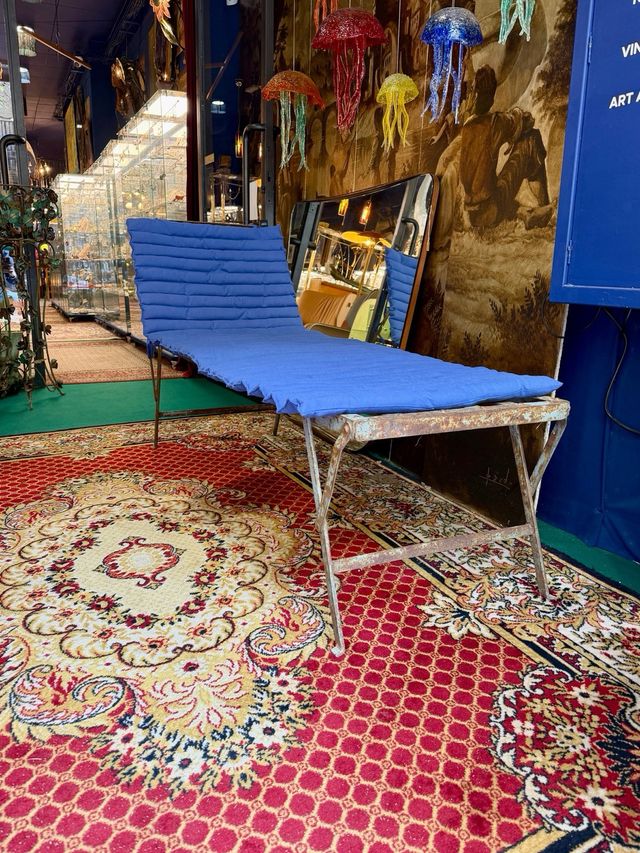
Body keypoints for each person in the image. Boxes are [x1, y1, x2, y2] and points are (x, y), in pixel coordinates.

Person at [460, 65, 553, 230]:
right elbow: (524, 121)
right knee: (531, 138)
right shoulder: (495, 122)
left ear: (474, 94)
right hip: (492, 210)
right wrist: (521, 121)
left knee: (495, 185)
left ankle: (526, 213)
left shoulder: (467, 126)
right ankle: (544, 207)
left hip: (473, 216)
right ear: (491, 97)